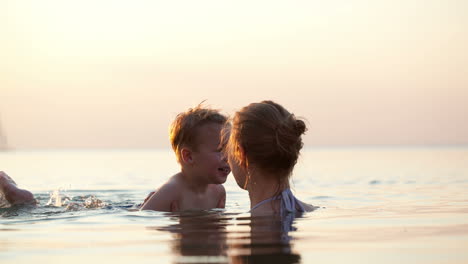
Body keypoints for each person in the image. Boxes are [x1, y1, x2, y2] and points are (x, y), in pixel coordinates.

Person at [221, 100, 315, 215]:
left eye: (228, 149)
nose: (226, 158)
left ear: (241, 153)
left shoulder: (258, 220)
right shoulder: (312, 211)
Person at [140, 104, 230, 211]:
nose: (228, 157)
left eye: (230, 150)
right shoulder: (171, 191)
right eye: (220, 150)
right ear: (189, 156)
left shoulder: (218, 192)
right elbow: (145, 218)